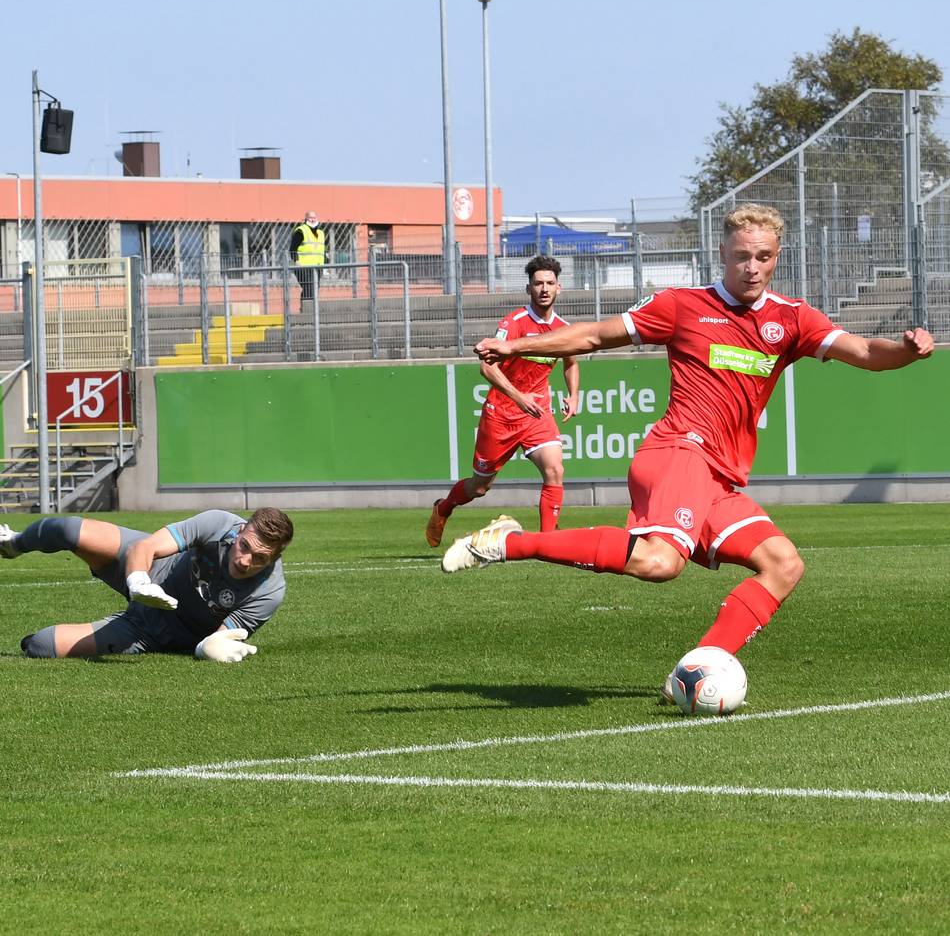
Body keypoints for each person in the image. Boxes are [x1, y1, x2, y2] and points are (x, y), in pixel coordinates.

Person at [442, 203, 934, 694]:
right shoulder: (683, 305)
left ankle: (702, 667)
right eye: (742, 255)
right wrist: (515, 347)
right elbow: (593, 335)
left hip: (719, 477)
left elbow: (867, 352)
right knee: (660, 562)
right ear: (722, 254)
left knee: (784, 565)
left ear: (778, 255)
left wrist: (906, 351)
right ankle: (507, 542)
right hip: (678, 452)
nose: (752, 266)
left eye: (763, 256)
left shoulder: (792, 319)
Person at [425, 254, 580, 547]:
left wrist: (573, 395)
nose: (544, 288)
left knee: (555, 470)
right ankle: (444, 507)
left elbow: (571, 361)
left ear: (559, 288)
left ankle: (548, 544)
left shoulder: (564, 328)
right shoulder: (514, 323)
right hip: (502, 414)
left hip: (537, 414)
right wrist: (518, 397)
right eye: (538, 283)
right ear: (529, 288)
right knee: (480, 487)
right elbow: (487, 366)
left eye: (550, 283)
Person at [5, 507, 294, 662]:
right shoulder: (219, 523)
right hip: (156, 569)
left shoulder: (269, 592)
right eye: (244, 546)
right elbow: (146, 547)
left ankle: (35, 642)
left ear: (276, 557)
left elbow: (220, 640)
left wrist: (208, 648)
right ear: (241, 530)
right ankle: (13, 543)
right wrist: (139, 582)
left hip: (153, 631)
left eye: (260, 558)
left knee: (41, 646)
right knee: (65, 529)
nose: (245, 561)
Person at [291, 210, 326, 303]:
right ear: (306, 219)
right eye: (311, 217)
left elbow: (322, 251)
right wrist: (296, 261)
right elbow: (292, 248)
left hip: (317, 267)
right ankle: (306, 311)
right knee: (308, 289)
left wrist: (325, 266)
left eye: (314, 217)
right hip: (304, 267)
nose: (313, 219)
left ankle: (312, 311)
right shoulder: (301, 231)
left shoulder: (321, 233)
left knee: (314, 290)